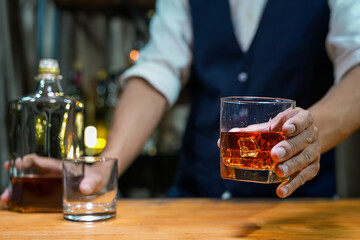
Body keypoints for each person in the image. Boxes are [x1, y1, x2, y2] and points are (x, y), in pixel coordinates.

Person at [2, 0, 360, 203]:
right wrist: (102, 169)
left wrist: (309, 135)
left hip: (298, 210)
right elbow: (158, 69)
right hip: (195, 198)